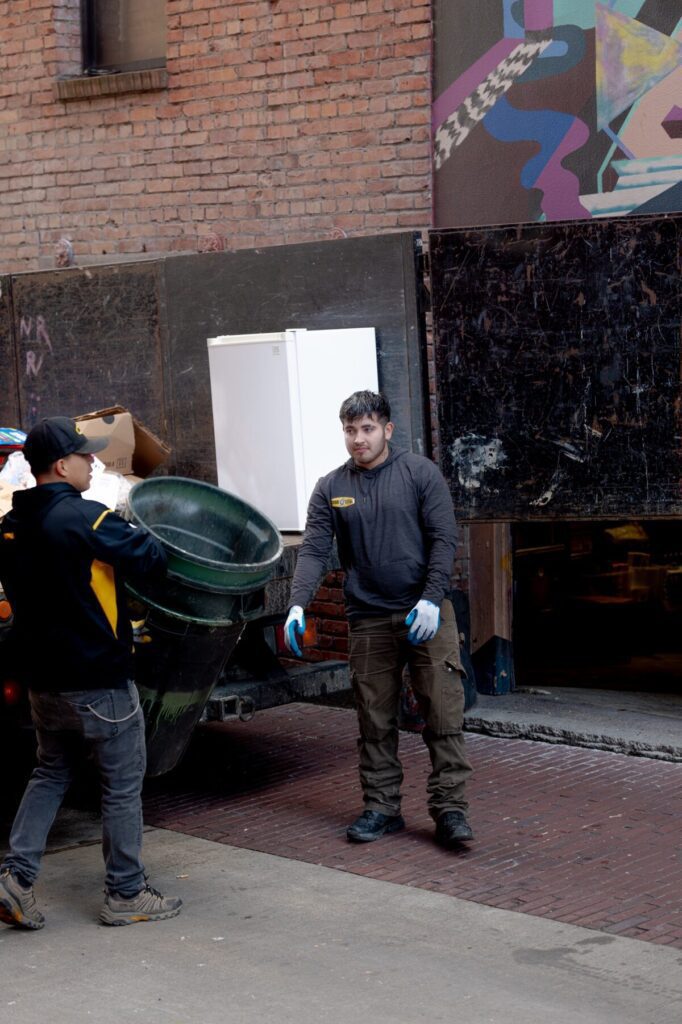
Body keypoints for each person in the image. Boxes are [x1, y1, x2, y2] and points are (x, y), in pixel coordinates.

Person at [0, 416, 182, 929]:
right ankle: (125, 893)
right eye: (84, 456)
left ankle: (15, 879)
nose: (93, 462)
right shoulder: (85, 517)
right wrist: (149, 525)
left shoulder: (11, 527)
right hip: (99, 679)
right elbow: (149, 558)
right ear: (62, 465)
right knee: (123, 784)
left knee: (51, 771)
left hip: (44, 682)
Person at [284, 391, 473, 848]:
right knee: (374, 720)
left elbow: (444, 538)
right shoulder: (332, 487)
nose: (357, 439)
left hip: (425, 615)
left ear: (387, 430)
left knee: (443, 715)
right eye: (350, 430)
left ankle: (450, 811)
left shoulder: (419, 473)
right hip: (368, 618)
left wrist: (431, 598)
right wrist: (297, 603)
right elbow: (313, 549)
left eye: (367, 429)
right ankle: (382, 808)